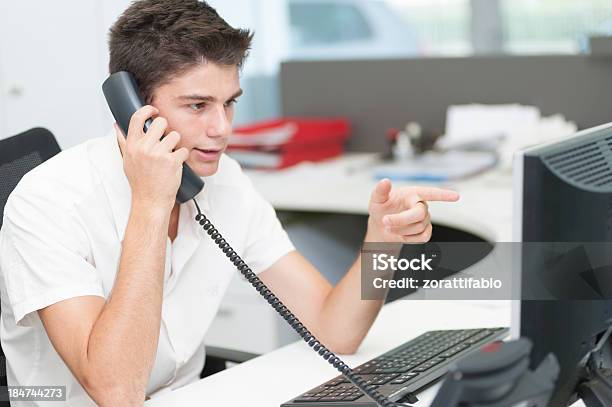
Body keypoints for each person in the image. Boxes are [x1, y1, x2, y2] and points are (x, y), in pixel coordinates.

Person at [0, 1, 459, 406]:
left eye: (229, 103)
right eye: (198, 106)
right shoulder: (47, 204)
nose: (222, 128)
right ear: (132, 108)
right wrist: (151, 204)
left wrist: (383, 240)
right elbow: (118, 394)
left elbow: (334, 331)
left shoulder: (225, 182)